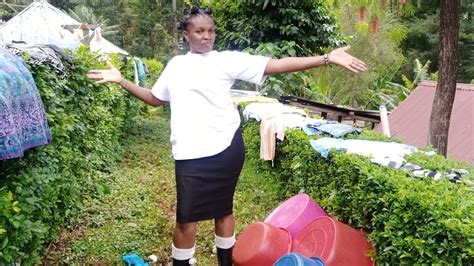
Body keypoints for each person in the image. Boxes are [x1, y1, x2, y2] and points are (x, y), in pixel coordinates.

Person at [87, 5, 367, 266]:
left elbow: (277, 64)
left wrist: (327, 58)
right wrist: (121, 80)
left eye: (211, 30)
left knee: (224, 210)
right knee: (185, 220)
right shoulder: (176, 66)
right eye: (199, 31)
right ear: (186, 35)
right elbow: (155, 98)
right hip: (189, 153)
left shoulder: (227, 61)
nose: (206, 36)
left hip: (226, 148)